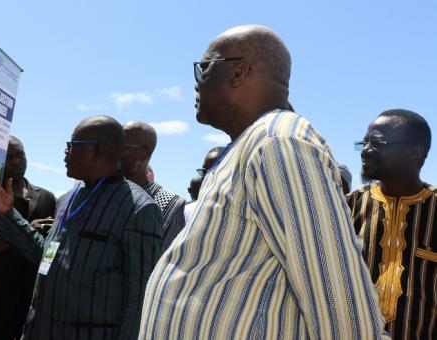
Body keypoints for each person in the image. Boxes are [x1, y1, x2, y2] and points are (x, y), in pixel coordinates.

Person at [139, 25, 388, 339]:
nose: (197, 84)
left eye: (203, 69)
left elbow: (337, 299)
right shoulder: (248, 145)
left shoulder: (279, 142)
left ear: (238, 72)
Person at [0, 115, 163, 339]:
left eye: (72, 146)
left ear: (97, 151)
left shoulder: (140, 209)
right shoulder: (68, 199)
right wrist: (7, 213)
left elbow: (140, 298)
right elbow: (48, 257)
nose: (66, 152)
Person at [347, 109, 435, 339]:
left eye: (376, 143)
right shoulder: (348, 208)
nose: (365, 151)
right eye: (364, 143)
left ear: (414, 153)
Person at [0, 136, 57, 340]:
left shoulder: (47, 198)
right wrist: (25, 231)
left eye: (20, 155)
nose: (16, 161)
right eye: (8, 156)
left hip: (31, 296)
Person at [121, 121, 186, 251]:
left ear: (144, 153)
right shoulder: (102, 190)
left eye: (122, 147)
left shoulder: (169, 203)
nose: (113, 153)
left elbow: (168, 260)